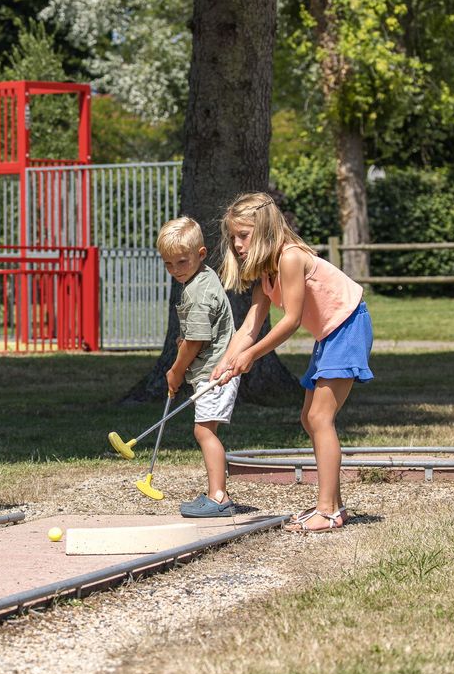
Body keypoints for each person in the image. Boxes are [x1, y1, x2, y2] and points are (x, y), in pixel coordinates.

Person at [213, 192, 374, 533]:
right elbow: (249, 326)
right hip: (329, 334)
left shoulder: (290, 258)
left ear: (266, 229)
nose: (237, 244)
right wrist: (226, 361)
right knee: (309, 417)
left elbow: (292, 320)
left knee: (319, 417)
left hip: (347, 325)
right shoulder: (265, 273)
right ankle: (334, 505)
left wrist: (251, 355)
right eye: (233, 237)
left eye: (244, 235)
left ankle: (327, 510)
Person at [157, 217, 241, 518]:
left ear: (201, 254)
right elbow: (199, 332)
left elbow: (195, 342)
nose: (176, 270)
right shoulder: (203, 277)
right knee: (207, 430)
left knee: (203, 431)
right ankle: (217, 492)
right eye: (168, 264)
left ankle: (219, 496)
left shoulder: (196, 292)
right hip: (216, 366)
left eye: (182, 261)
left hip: (215, 373)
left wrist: (176, 370)